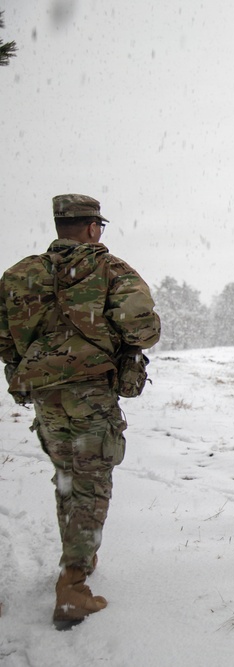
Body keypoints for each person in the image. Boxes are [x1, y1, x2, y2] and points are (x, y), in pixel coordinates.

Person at [0, 194, 161, 629]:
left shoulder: (19, 275)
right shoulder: (111, 270)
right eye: (99, 228)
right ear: (92, 228)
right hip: (91, 393)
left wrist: (32, 362)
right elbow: (145, 329)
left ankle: (78, 559)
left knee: (68, 478)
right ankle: (72, 585)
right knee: (92, 483)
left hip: (46, 396)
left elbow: (2, 337)